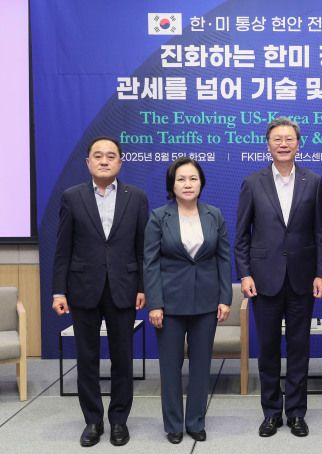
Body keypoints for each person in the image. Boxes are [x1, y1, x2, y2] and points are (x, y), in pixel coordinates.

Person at [235, 116, 322, 437]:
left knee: (300, 348)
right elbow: (242, 236)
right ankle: (272, 413)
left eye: (289, 139)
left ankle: (297, 413)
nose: (284, 144)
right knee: (269, 349)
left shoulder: (313, 181)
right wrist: (245, 274)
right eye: (277, 139)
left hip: (303, 278)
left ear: (298, 144)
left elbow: (321, 233)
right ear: (268, 145)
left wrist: (321, 273)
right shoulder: (253, 182)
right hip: (264, 280)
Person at [52, 136, 148, 447]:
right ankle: (93, 421)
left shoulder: (137, 198)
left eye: (110, 156)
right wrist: (58, 291)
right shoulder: (72, 197)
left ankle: (119, 420)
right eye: (98, 156)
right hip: (83, 289)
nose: (104, 161)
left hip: (124, 288)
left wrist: (143, 286)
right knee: (87, 358)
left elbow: (142, 248)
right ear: (88, 162)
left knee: (122, 358)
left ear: (120, 161)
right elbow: (63, 249)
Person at [143, 157, 232, 445]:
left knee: (200, 366)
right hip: (169, 305)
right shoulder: (159, 217)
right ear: (172, 185)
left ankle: (195, 422)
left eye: (193, 178)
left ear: (201, 183)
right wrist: (155, 303)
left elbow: (223, 258)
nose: (187, 184)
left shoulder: (214, 215)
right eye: (181, 179)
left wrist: (225, 298)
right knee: (170, 367)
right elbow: (150, 263)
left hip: (206, 303)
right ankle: (173, 424)